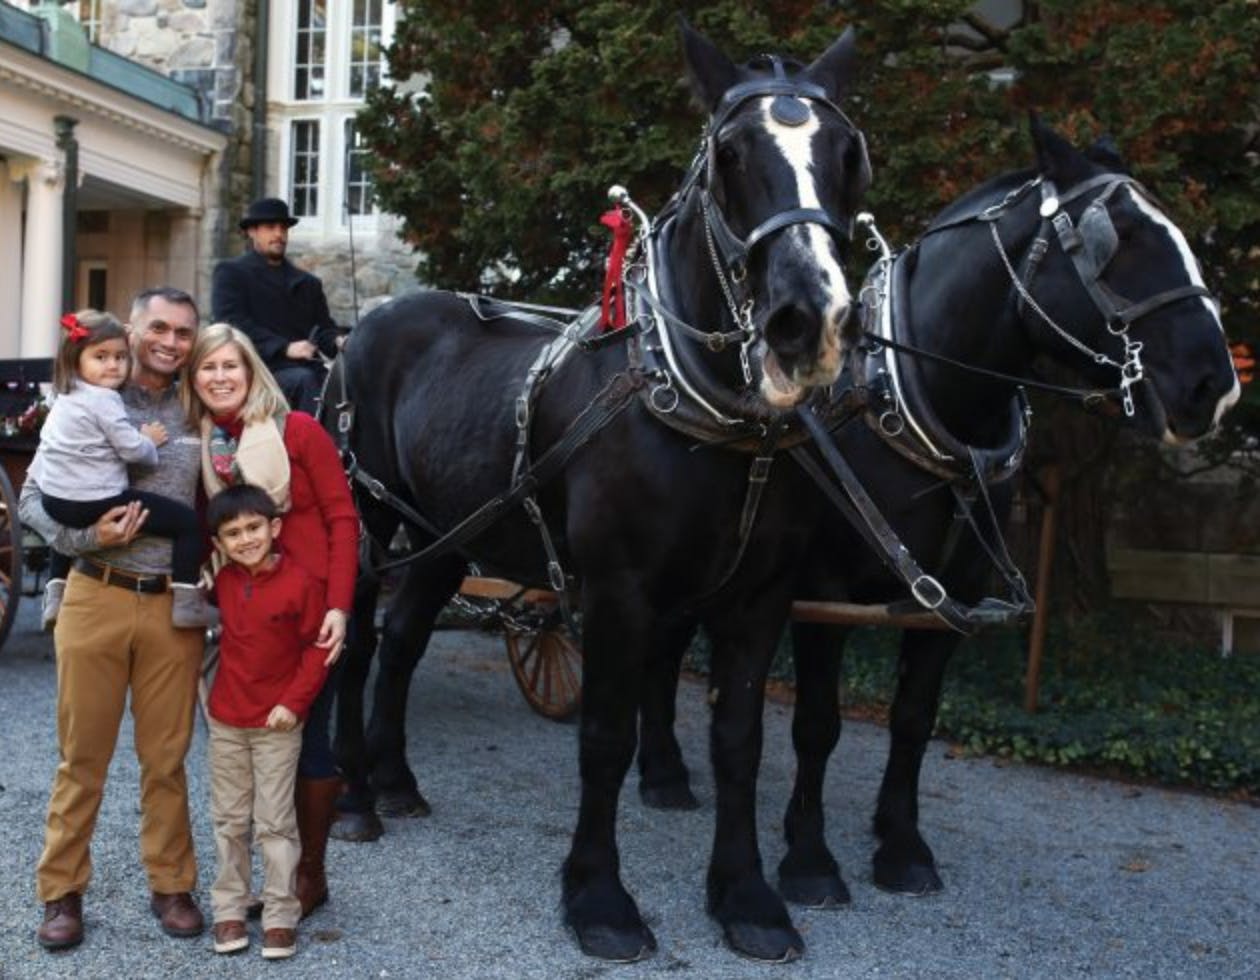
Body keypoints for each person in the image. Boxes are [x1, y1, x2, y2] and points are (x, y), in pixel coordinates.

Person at [22, 287, 207, 951]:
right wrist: (86, 537)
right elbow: (31, 497)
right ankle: (62, 891)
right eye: (158, 327)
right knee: (82, 757)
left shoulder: (197, 405)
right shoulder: (87, 395)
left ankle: (172, 883)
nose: (170, 342)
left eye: (183, 332)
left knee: (167, 758)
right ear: (130, 330)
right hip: (95, 592)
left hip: (170, 604)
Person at [184, 322, 357, 918]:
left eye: (230, 365)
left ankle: (310, 876)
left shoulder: (297, 430)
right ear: (194, 379)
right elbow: (206, 529)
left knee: (309, 740)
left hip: (312, 615)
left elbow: (341, 518)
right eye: (208, 367)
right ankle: (272, 875)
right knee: (254, 744)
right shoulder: (206, 448)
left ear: (250, 371)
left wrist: (339, 606)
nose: (220, 377)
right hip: (252, 620)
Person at [205, 484, 329, 959]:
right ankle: (229, 909)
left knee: (275, 822)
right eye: (233, 533)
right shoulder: (224, 581)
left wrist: (294, 703)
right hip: (226, 720)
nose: (246, 539)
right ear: (219, 544)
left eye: (254, 527)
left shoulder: (301, 583)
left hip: (277, 723)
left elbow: (317, 649)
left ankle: (280, 914)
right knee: (229, 819)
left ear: (275, 527)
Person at [31, 309, 210, 630]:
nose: (113, 365)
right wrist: (149, 441)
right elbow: (132, 450)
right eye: (101, 357)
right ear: (75, 359)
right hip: (94, 502)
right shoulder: (106, 399)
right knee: (186, 522)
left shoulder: (64, 394)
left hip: (55, 499)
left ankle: (55, 590)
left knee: (70, 510)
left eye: (119, 357)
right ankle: (186, 601)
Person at [210, 197, 342, 414]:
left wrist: (340, 342)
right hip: (258, 371)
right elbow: (231, 324)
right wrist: (284, 347)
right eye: (270, 227)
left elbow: (323, 330)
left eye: (283, 228)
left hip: (308, 371)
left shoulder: (308, 283)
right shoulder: (232, 273)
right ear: (252, 231)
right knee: (305, 381)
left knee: (346, 383)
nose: (279, 234)